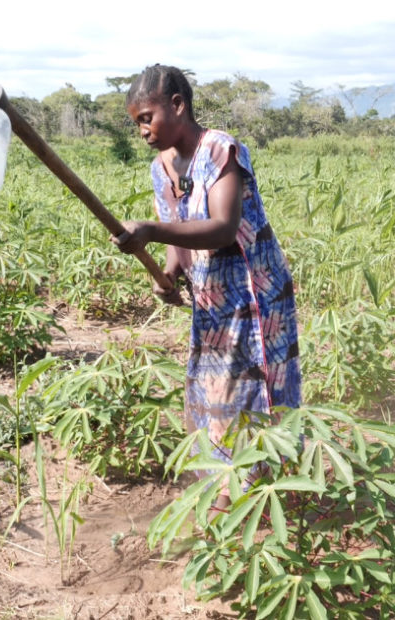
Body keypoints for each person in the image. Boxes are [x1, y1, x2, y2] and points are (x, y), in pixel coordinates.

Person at [111, 64, 301, 500]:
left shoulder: (221, 151)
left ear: (177, 105)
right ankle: (226, 488)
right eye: (136, 122)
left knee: (256, 389)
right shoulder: (161, 168)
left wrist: (150, 231)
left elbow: (221, 227)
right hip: (211, 297)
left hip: (256, 296)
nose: (142, 130)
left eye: (147, 118)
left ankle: (272, 492)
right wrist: (171, 272)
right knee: (214, 389)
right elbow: (176, 226)